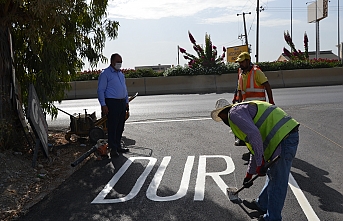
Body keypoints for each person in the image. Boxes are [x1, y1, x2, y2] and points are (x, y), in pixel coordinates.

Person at [211, 99, 299, 221]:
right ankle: (262, 204)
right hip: (283, 136)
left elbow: (254, 135)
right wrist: (249, 175)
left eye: (221, 117)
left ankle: (272, 218)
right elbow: (254, 147)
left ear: (223, 113)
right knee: (272, 174)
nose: (223, 121)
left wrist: (260, 162)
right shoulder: (240, 113)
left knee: (278, 181)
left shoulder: (234, 114)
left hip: (285, 137)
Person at [234, 52, 275, 160]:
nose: (240, 64)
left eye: (242, 62)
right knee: (249, 130)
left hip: (258, 108)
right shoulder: (241, 73)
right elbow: (239, 90)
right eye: (239, 62)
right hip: (246, 107)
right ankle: (253, 151)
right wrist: (237, 102)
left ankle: (261, 153)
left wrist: (271, 101)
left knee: (257, 131)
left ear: (248, 61)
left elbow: (267, 85)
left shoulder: (257, 72)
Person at [97, 53, 130, 158]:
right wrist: (103, 105)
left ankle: (118, 145)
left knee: (120, 126)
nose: (119, 64)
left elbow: (124, 89)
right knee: (113, 126)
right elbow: (100, 90)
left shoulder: (121, 74)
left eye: (121, 62)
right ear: (112, 62)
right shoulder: (105, 74)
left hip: (121, 103)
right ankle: (113, 148)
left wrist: (126, 102)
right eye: (117, 62)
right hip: (112, 103)